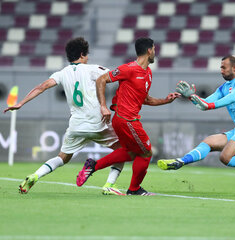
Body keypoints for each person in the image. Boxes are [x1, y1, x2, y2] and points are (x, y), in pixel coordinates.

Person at [4, 37, 125, 195]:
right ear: (82, 54)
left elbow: (42, 87)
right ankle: (109, 184)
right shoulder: (93, 69)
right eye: (86, 55)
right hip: (98, 122)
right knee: (124, 150)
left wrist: (21, 103)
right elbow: (117, 75)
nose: (88, 58)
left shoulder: (62, 73)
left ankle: (35, 175)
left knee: (62, 157)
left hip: (76, 126)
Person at [157, 55, 235, 193]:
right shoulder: (223, 88)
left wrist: (210, 105)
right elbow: (204, 105)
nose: (221, 70)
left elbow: (232, 98)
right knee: (209, 142)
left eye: (223, 67)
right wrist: (191, 96)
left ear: (234, 68)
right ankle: (181, 162)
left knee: (225, 157)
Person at [76, 37, 180, 195]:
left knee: (131, 152)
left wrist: (166, 101)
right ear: (149, 50)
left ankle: (92, 166)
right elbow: (101, 80)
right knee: (146, 152)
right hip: (126, 119)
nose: (155, 53)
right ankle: (134, 189)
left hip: (127, 119)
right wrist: (103, 106)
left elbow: (145, 99)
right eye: (154, 49)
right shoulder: (129, 69)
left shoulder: (148, 73)